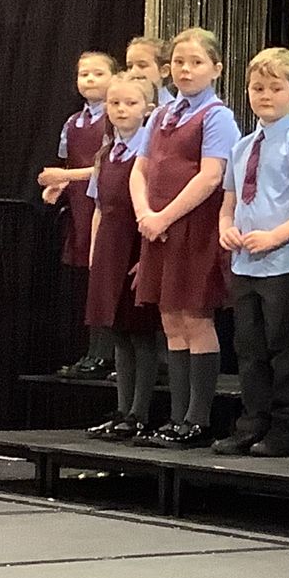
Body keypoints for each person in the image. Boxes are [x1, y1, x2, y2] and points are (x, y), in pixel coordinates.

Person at [213, 48, 289, 459]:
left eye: (275, 88)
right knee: (249, 348)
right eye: (258, 88)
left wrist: (276, 237)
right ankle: (252, 423)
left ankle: (286, 429)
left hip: (284, 263)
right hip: (245, 263)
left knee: (283, 349)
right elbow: (229, 202)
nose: (265, 95)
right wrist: (226, 228)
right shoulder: (242, 147)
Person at [130, 27, 236, 449]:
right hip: (158, 230)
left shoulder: (216, 116)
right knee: (170, 319)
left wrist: (164, 216)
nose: (186, 70)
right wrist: (145, 214)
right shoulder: (160, 115)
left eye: (196, 62)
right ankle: (176, 416)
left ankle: (198, 418)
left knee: (195, 317)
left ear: (216, 69)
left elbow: (210, 177)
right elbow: (140, 169)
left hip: (194, 228)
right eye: (178, 62)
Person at [82, 72, 160, 441]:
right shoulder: (106, 153)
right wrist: (94, 254)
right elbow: (99, 207)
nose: (121, 109)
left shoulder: (149, 155)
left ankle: (139, 413)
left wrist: (148, 258)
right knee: (118, 334)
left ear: (148, 108)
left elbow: (151, 206)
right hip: (109, 250)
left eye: (130, 103)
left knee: (140, 333)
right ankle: (122, 409)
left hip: (135, 247)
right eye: (115, 103)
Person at [42, 50, 115, 378]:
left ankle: (107, 354)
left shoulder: (116, 117)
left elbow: (111, 166)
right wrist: (58, 186)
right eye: (84, 74)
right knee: (86, 282)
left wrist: (66, 176)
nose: (89, 79)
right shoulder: (72, 123)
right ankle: (91, 351)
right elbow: (71, 162)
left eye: (98, 73)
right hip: (80, 210)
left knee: (104, 280)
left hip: (105, 206)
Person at [126, 35, 176, 105]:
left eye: (142, 65)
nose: (133, 72)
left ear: (164, 71)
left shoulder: (172, 108)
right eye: (130, 66)